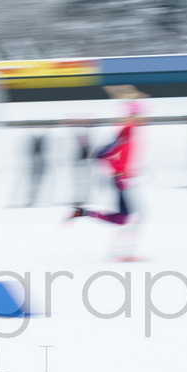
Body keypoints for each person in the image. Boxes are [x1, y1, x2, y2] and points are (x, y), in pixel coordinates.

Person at [67, 86, 147, 261]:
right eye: (138, 115)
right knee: (135, 216)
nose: (143, 118)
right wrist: (118, 168)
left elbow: (121, 152)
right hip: (121, 179)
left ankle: (84, 214)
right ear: (131, 117)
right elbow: (102, 153)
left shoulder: (130, 129)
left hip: (123, 178)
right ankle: (123, 253)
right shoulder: (126, 130)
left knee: (124, 218)